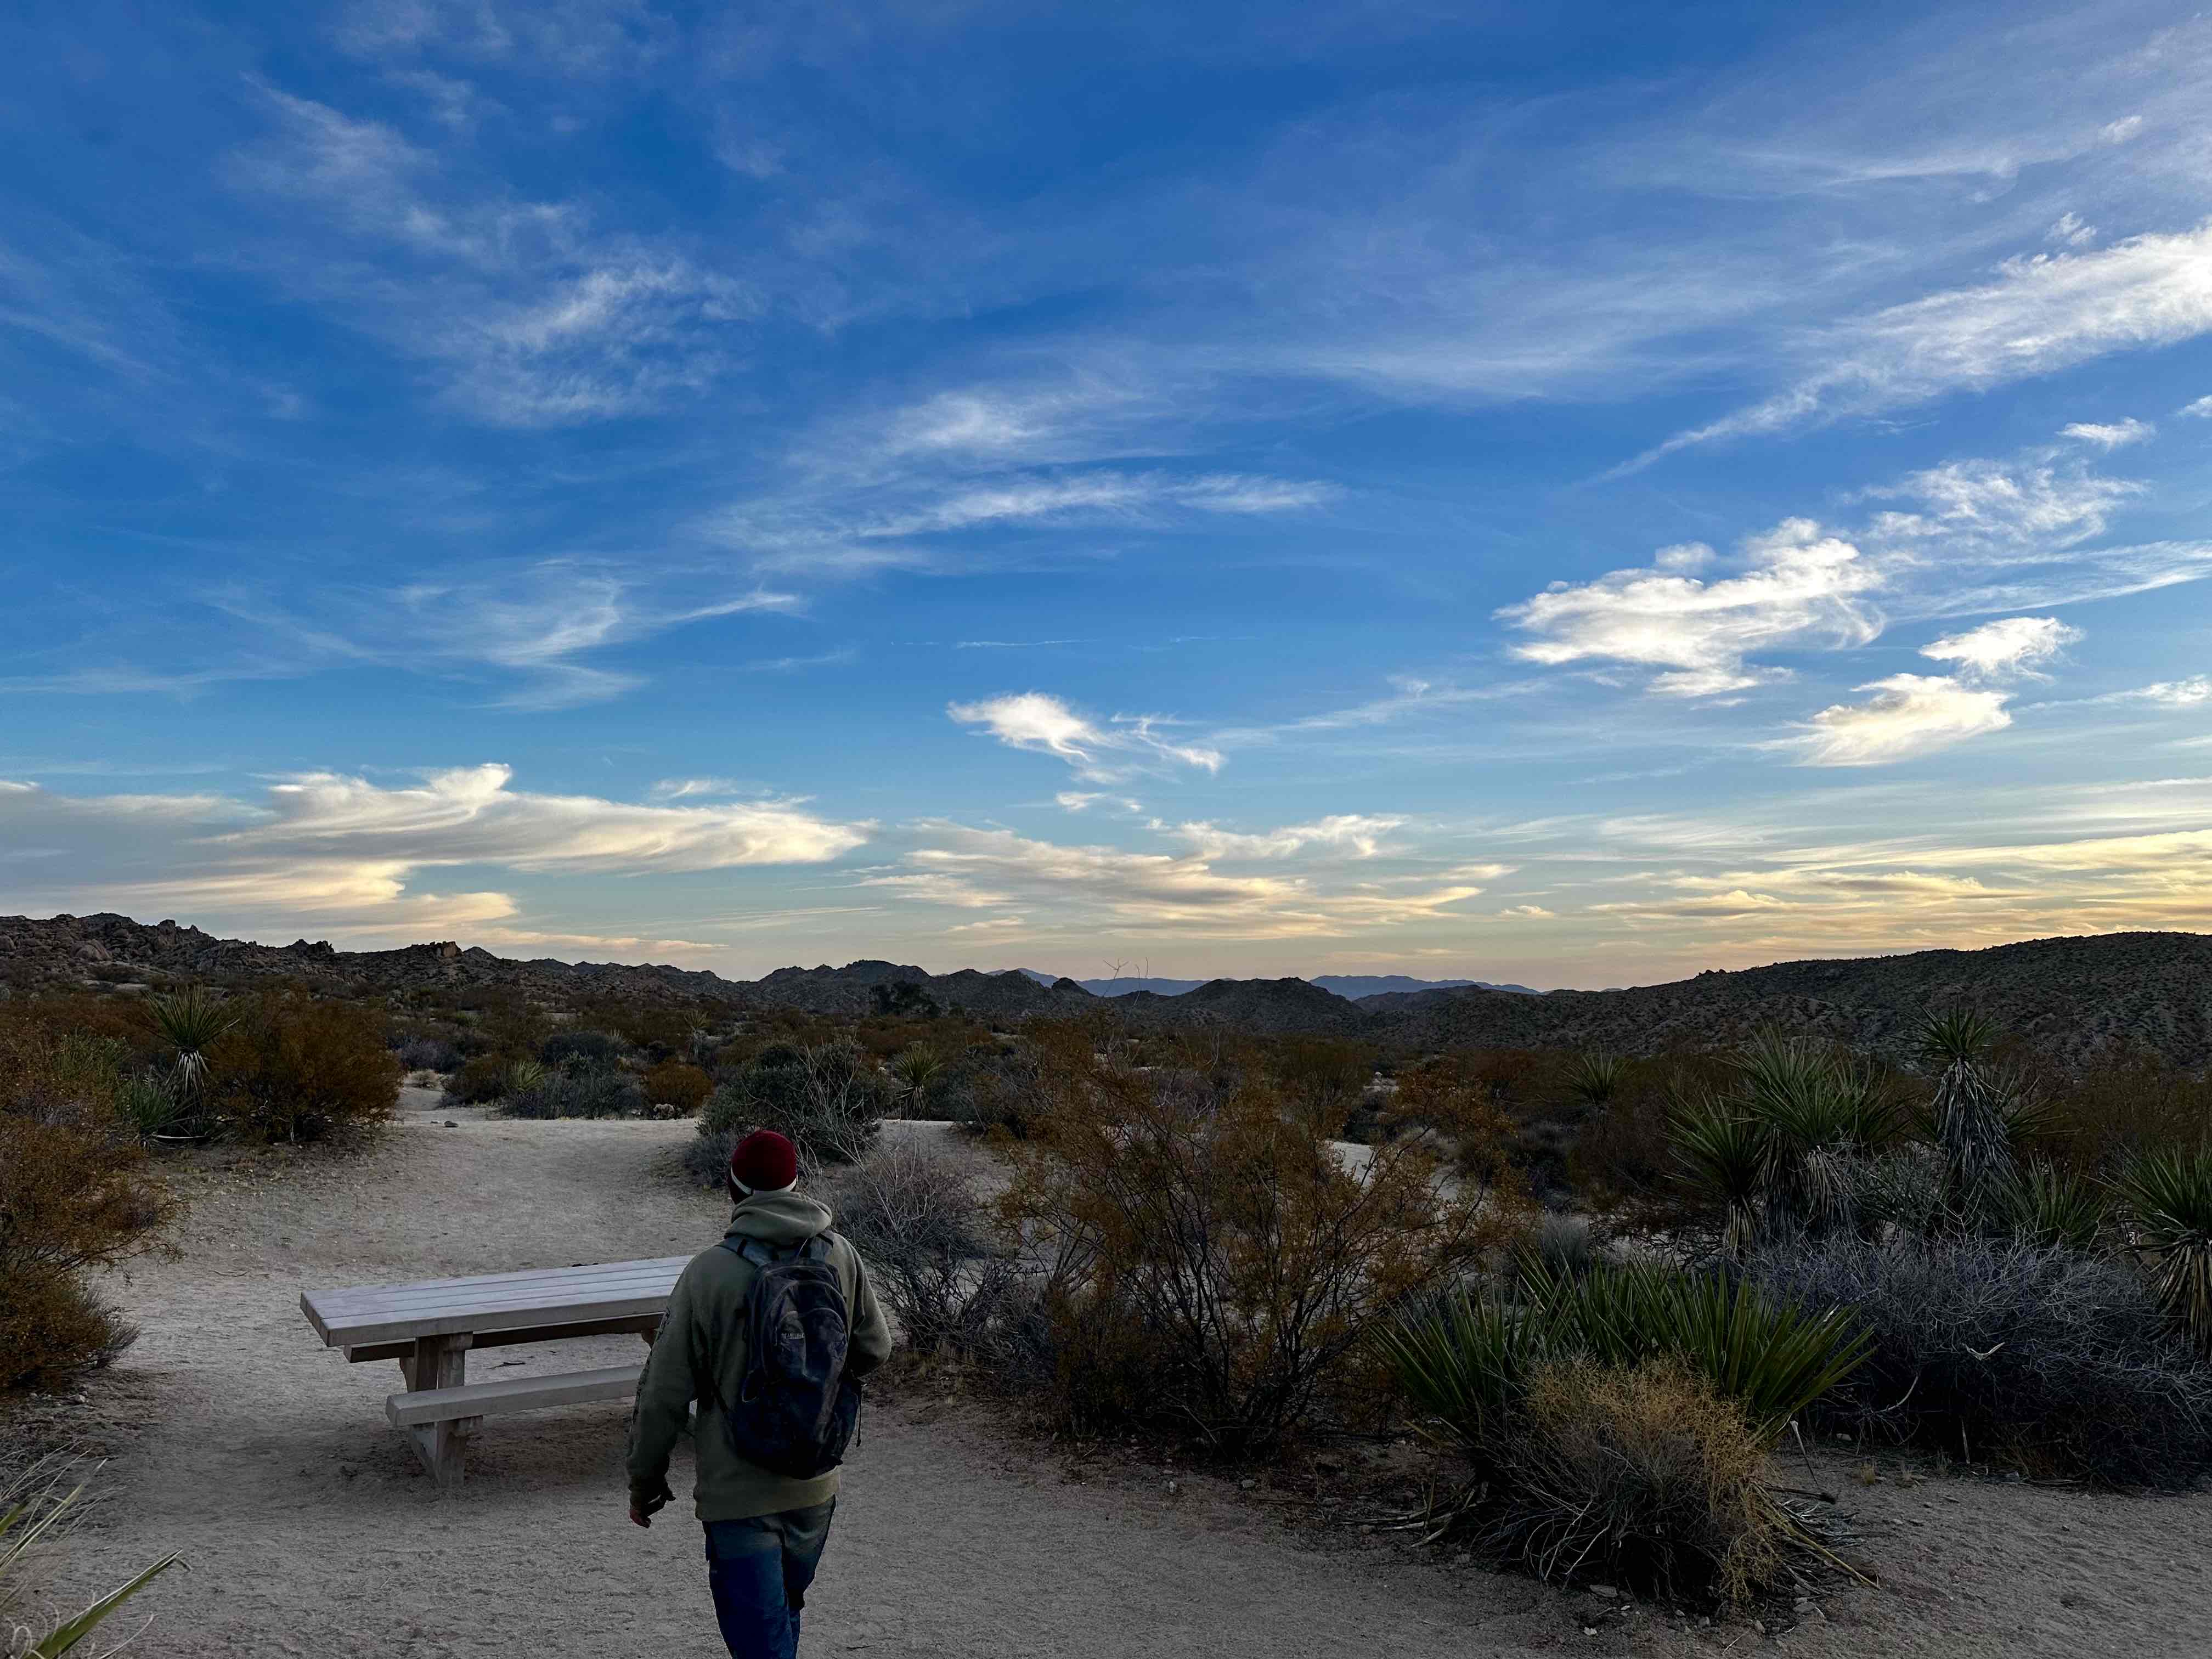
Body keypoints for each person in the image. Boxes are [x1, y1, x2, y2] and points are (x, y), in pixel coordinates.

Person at [628, 1128, 893, 1659]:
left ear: (733, 1189)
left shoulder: (709, 1273)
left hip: (738, 1491)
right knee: (785, 1616)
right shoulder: (840, 1254)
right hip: (816, 1481)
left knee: (761, 1641)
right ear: (797, 1183)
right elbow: (875, 1348)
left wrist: (645, 1481)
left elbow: (663, 1394)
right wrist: (814, 1387)